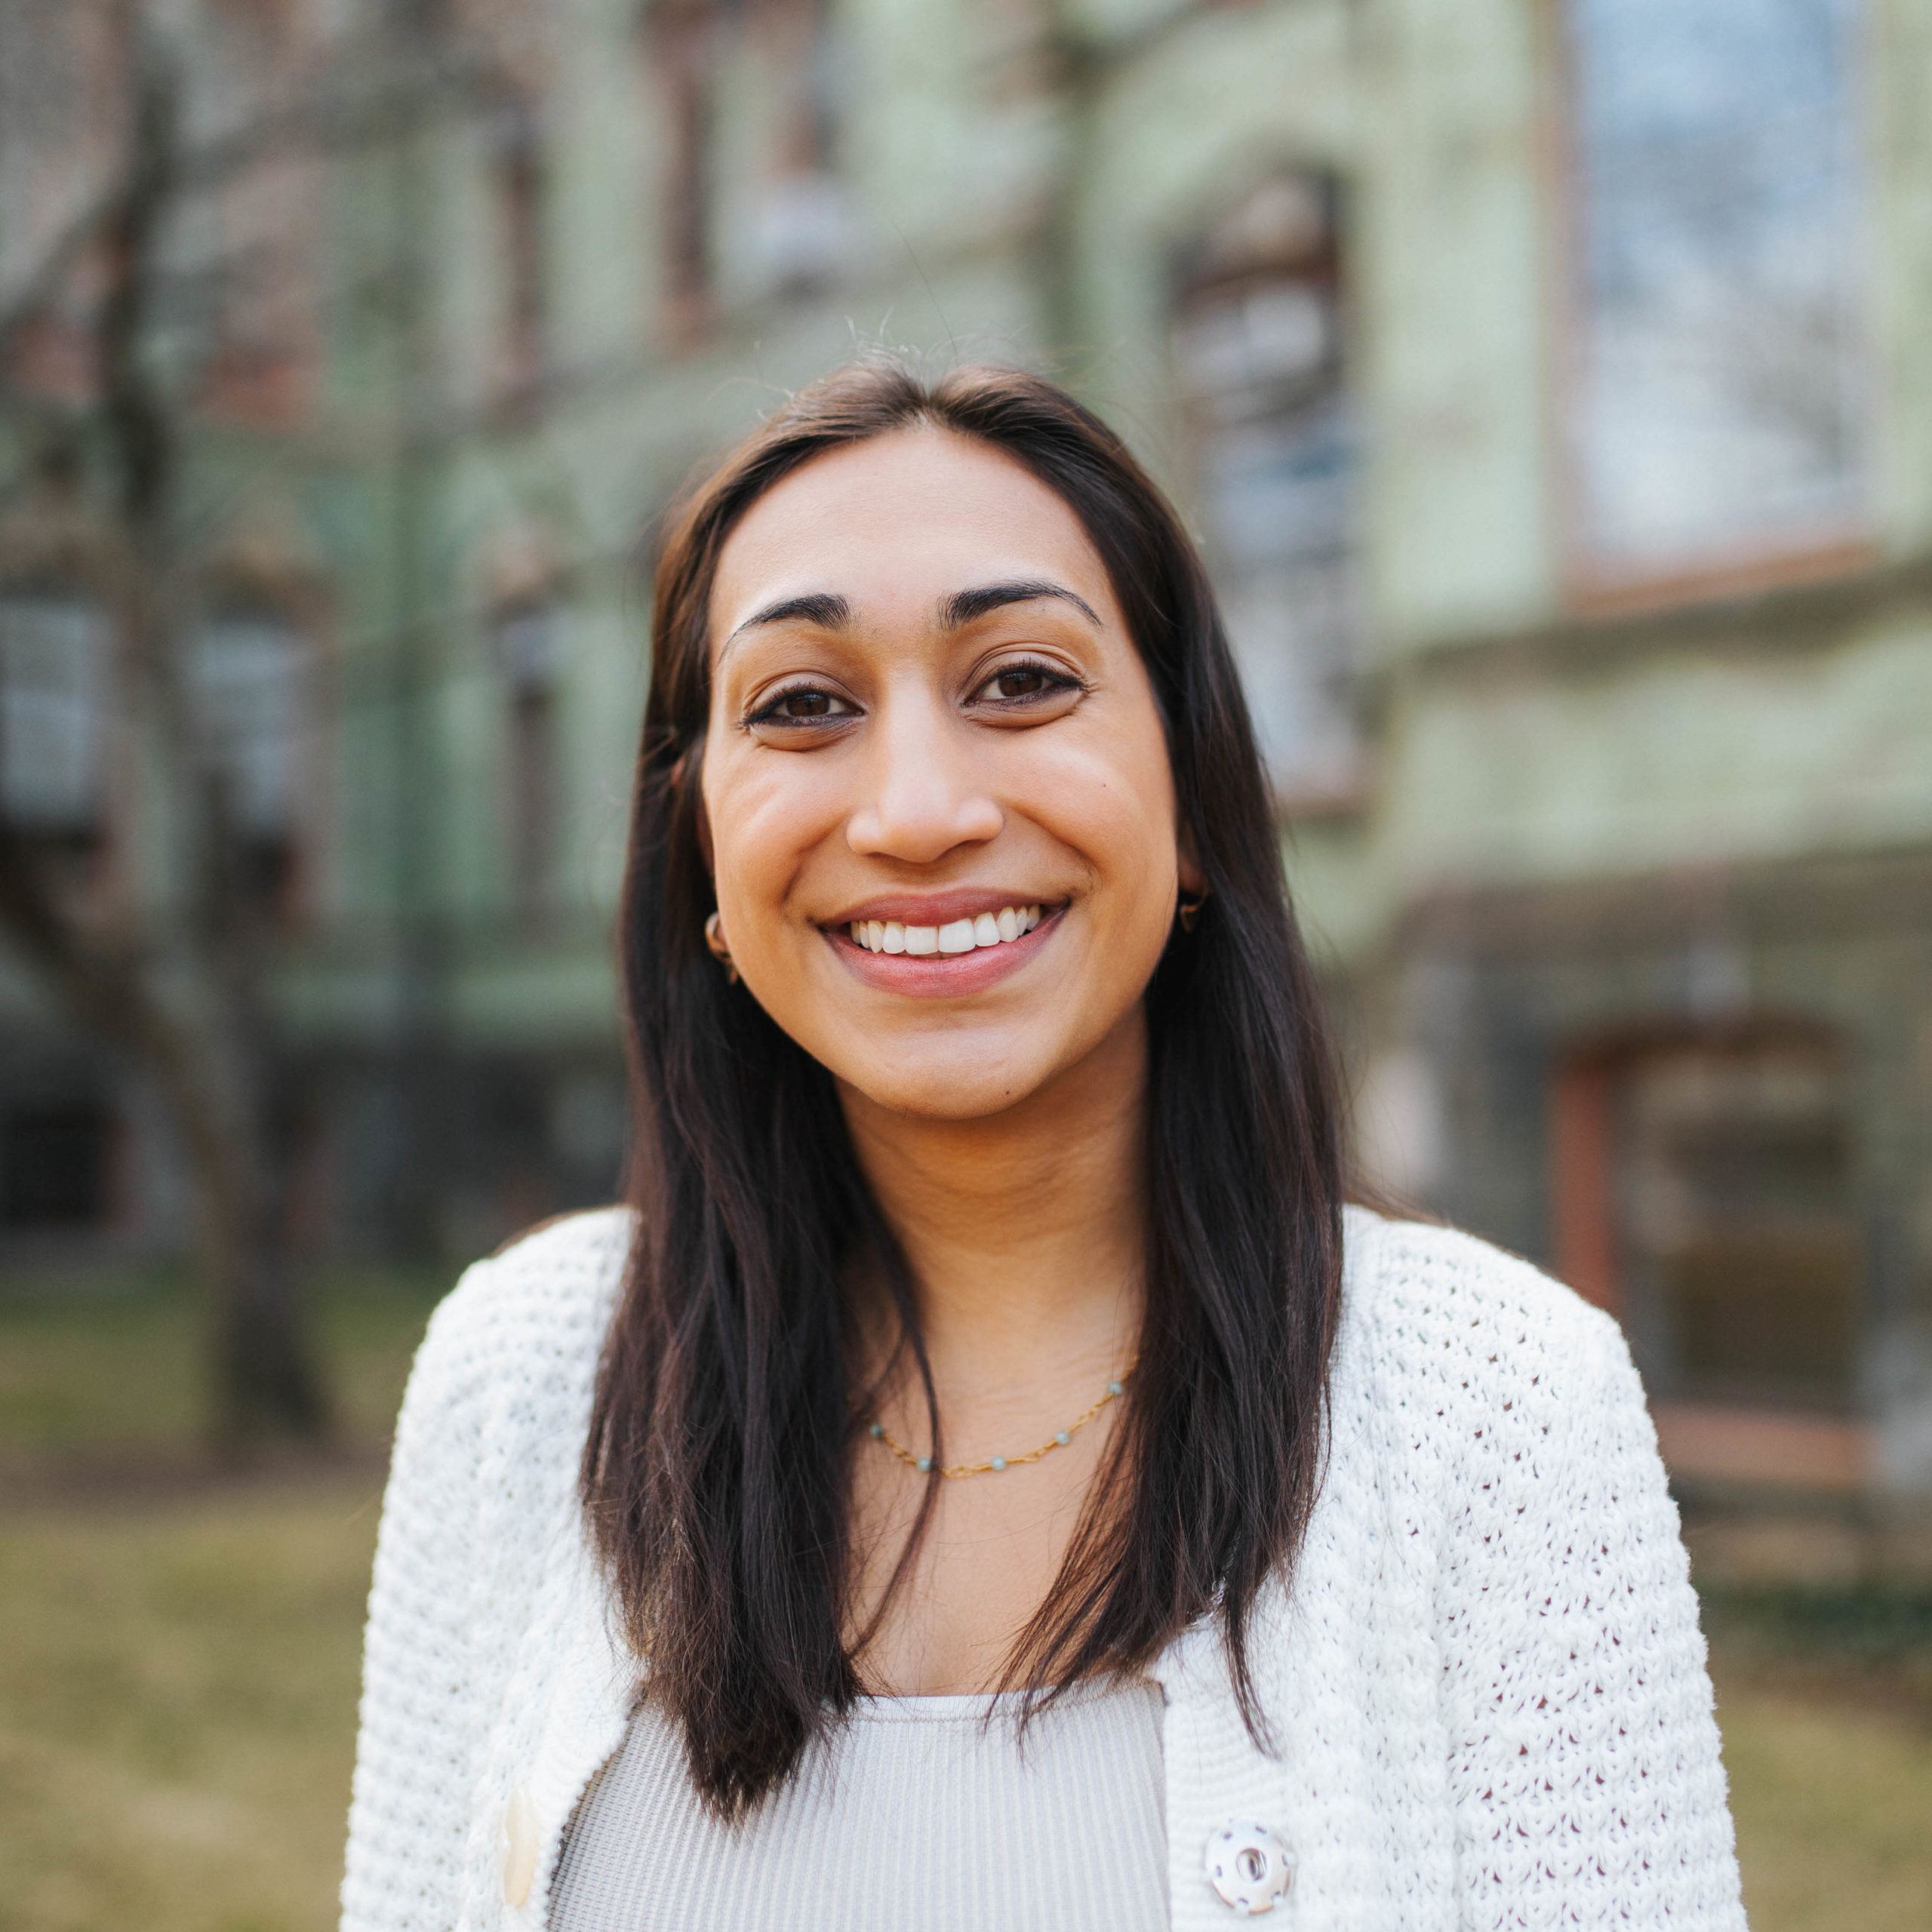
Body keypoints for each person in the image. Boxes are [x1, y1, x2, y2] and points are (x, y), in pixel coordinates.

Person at [340, 362, 1744, 1932]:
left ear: (1194, 796)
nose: (919, 809)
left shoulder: (1497, 1411)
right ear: (702, 864)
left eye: (1018, 679)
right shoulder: (518, 1381)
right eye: (801, 704)